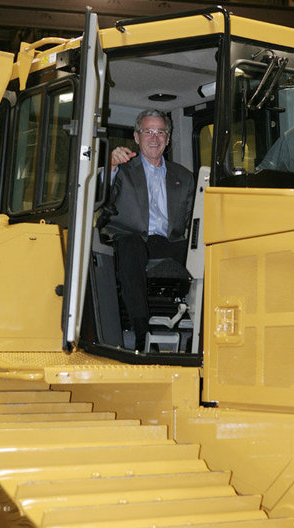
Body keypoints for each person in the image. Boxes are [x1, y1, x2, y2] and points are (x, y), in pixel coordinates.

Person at [99, 109, 195, 351]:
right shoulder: (122, 169)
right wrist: (109, 167)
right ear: (136, 137)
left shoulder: (183, 177)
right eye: (148, 131)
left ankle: (201, 330)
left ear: (168, 138)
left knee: (204, 250)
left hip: (167, 242)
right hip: (130, 239)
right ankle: (142, 333)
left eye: (160, 132)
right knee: (131, 247)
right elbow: (99, 199)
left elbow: (191, 220)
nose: (154, 137)